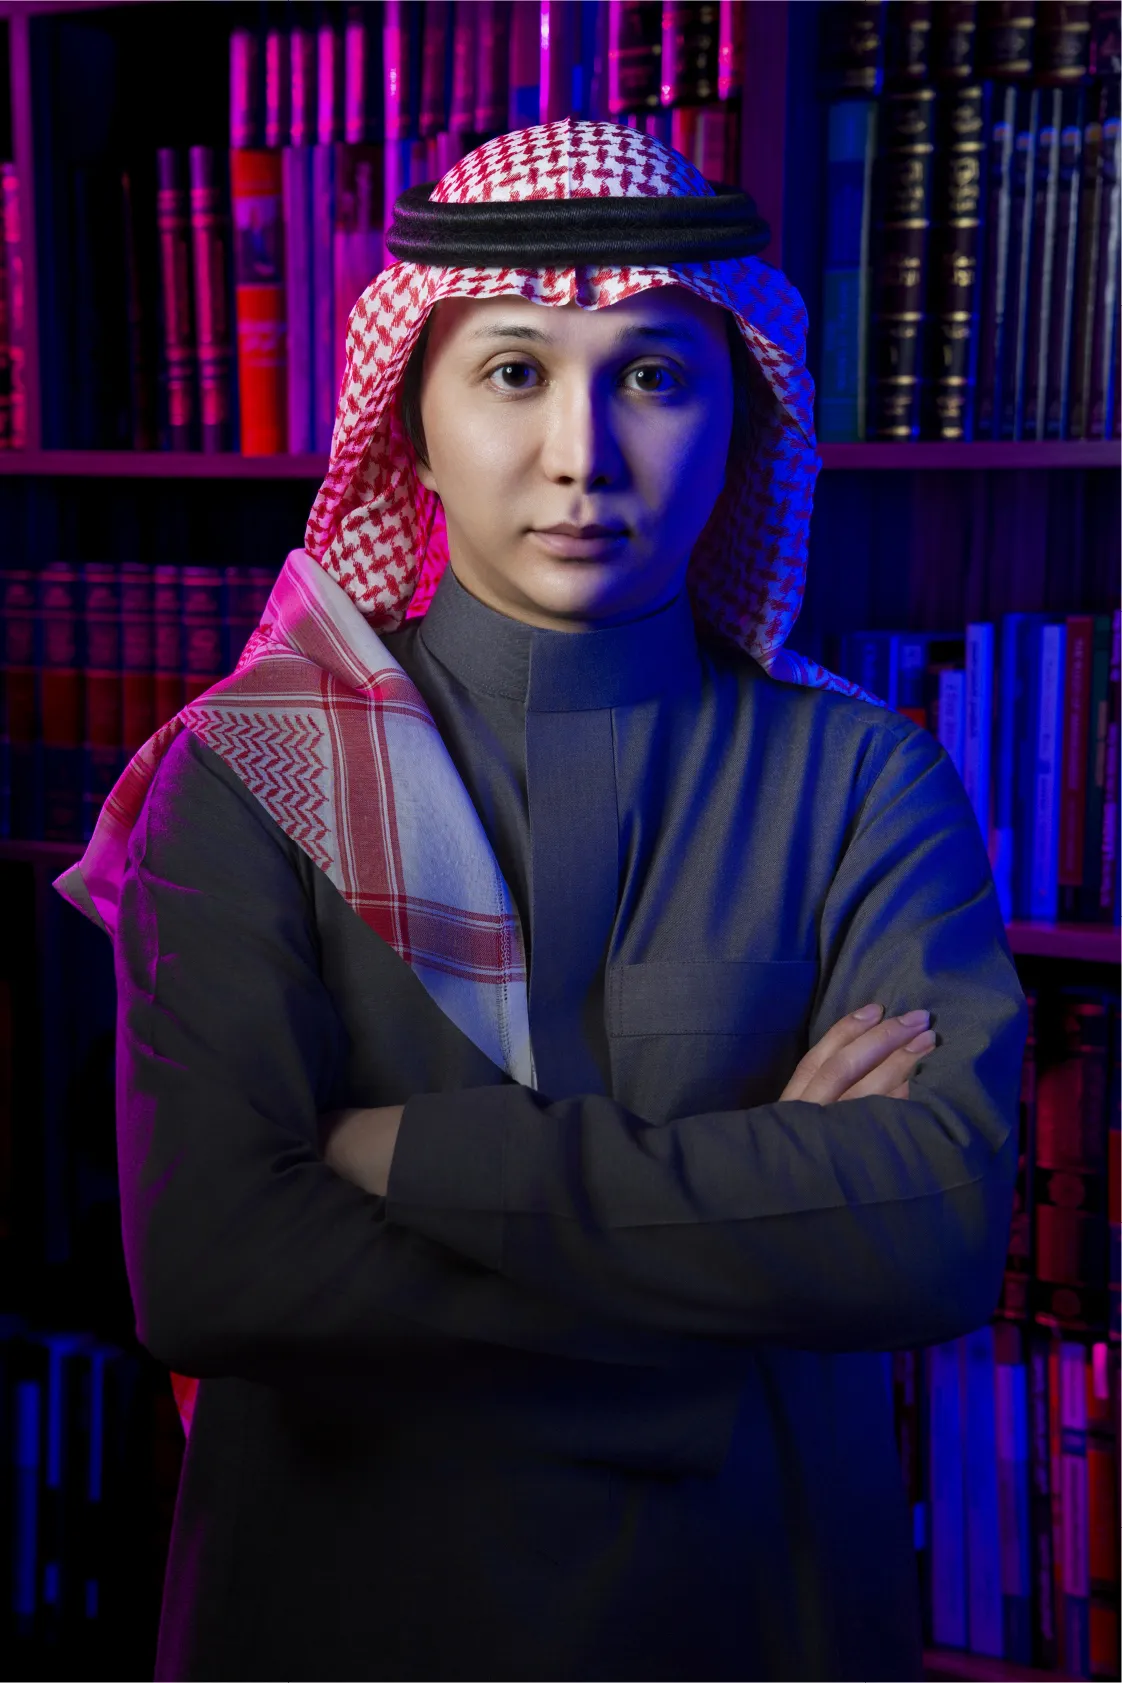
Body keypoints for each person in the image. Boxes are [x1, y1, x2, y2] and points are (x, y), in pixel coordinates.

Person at [57, 119, 1027, 1683]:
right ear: (409, 425)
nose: (581, 452)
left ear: (740, 419)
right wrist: (736, 1280)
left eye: (651, 373)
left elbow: (924, 1231)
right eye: (511, 371)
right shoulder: (248, 776)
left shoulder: (864, 778)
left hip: (753, 1614)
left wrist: (408, 1154)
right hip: (332, 1613)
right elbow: (216, 1264)